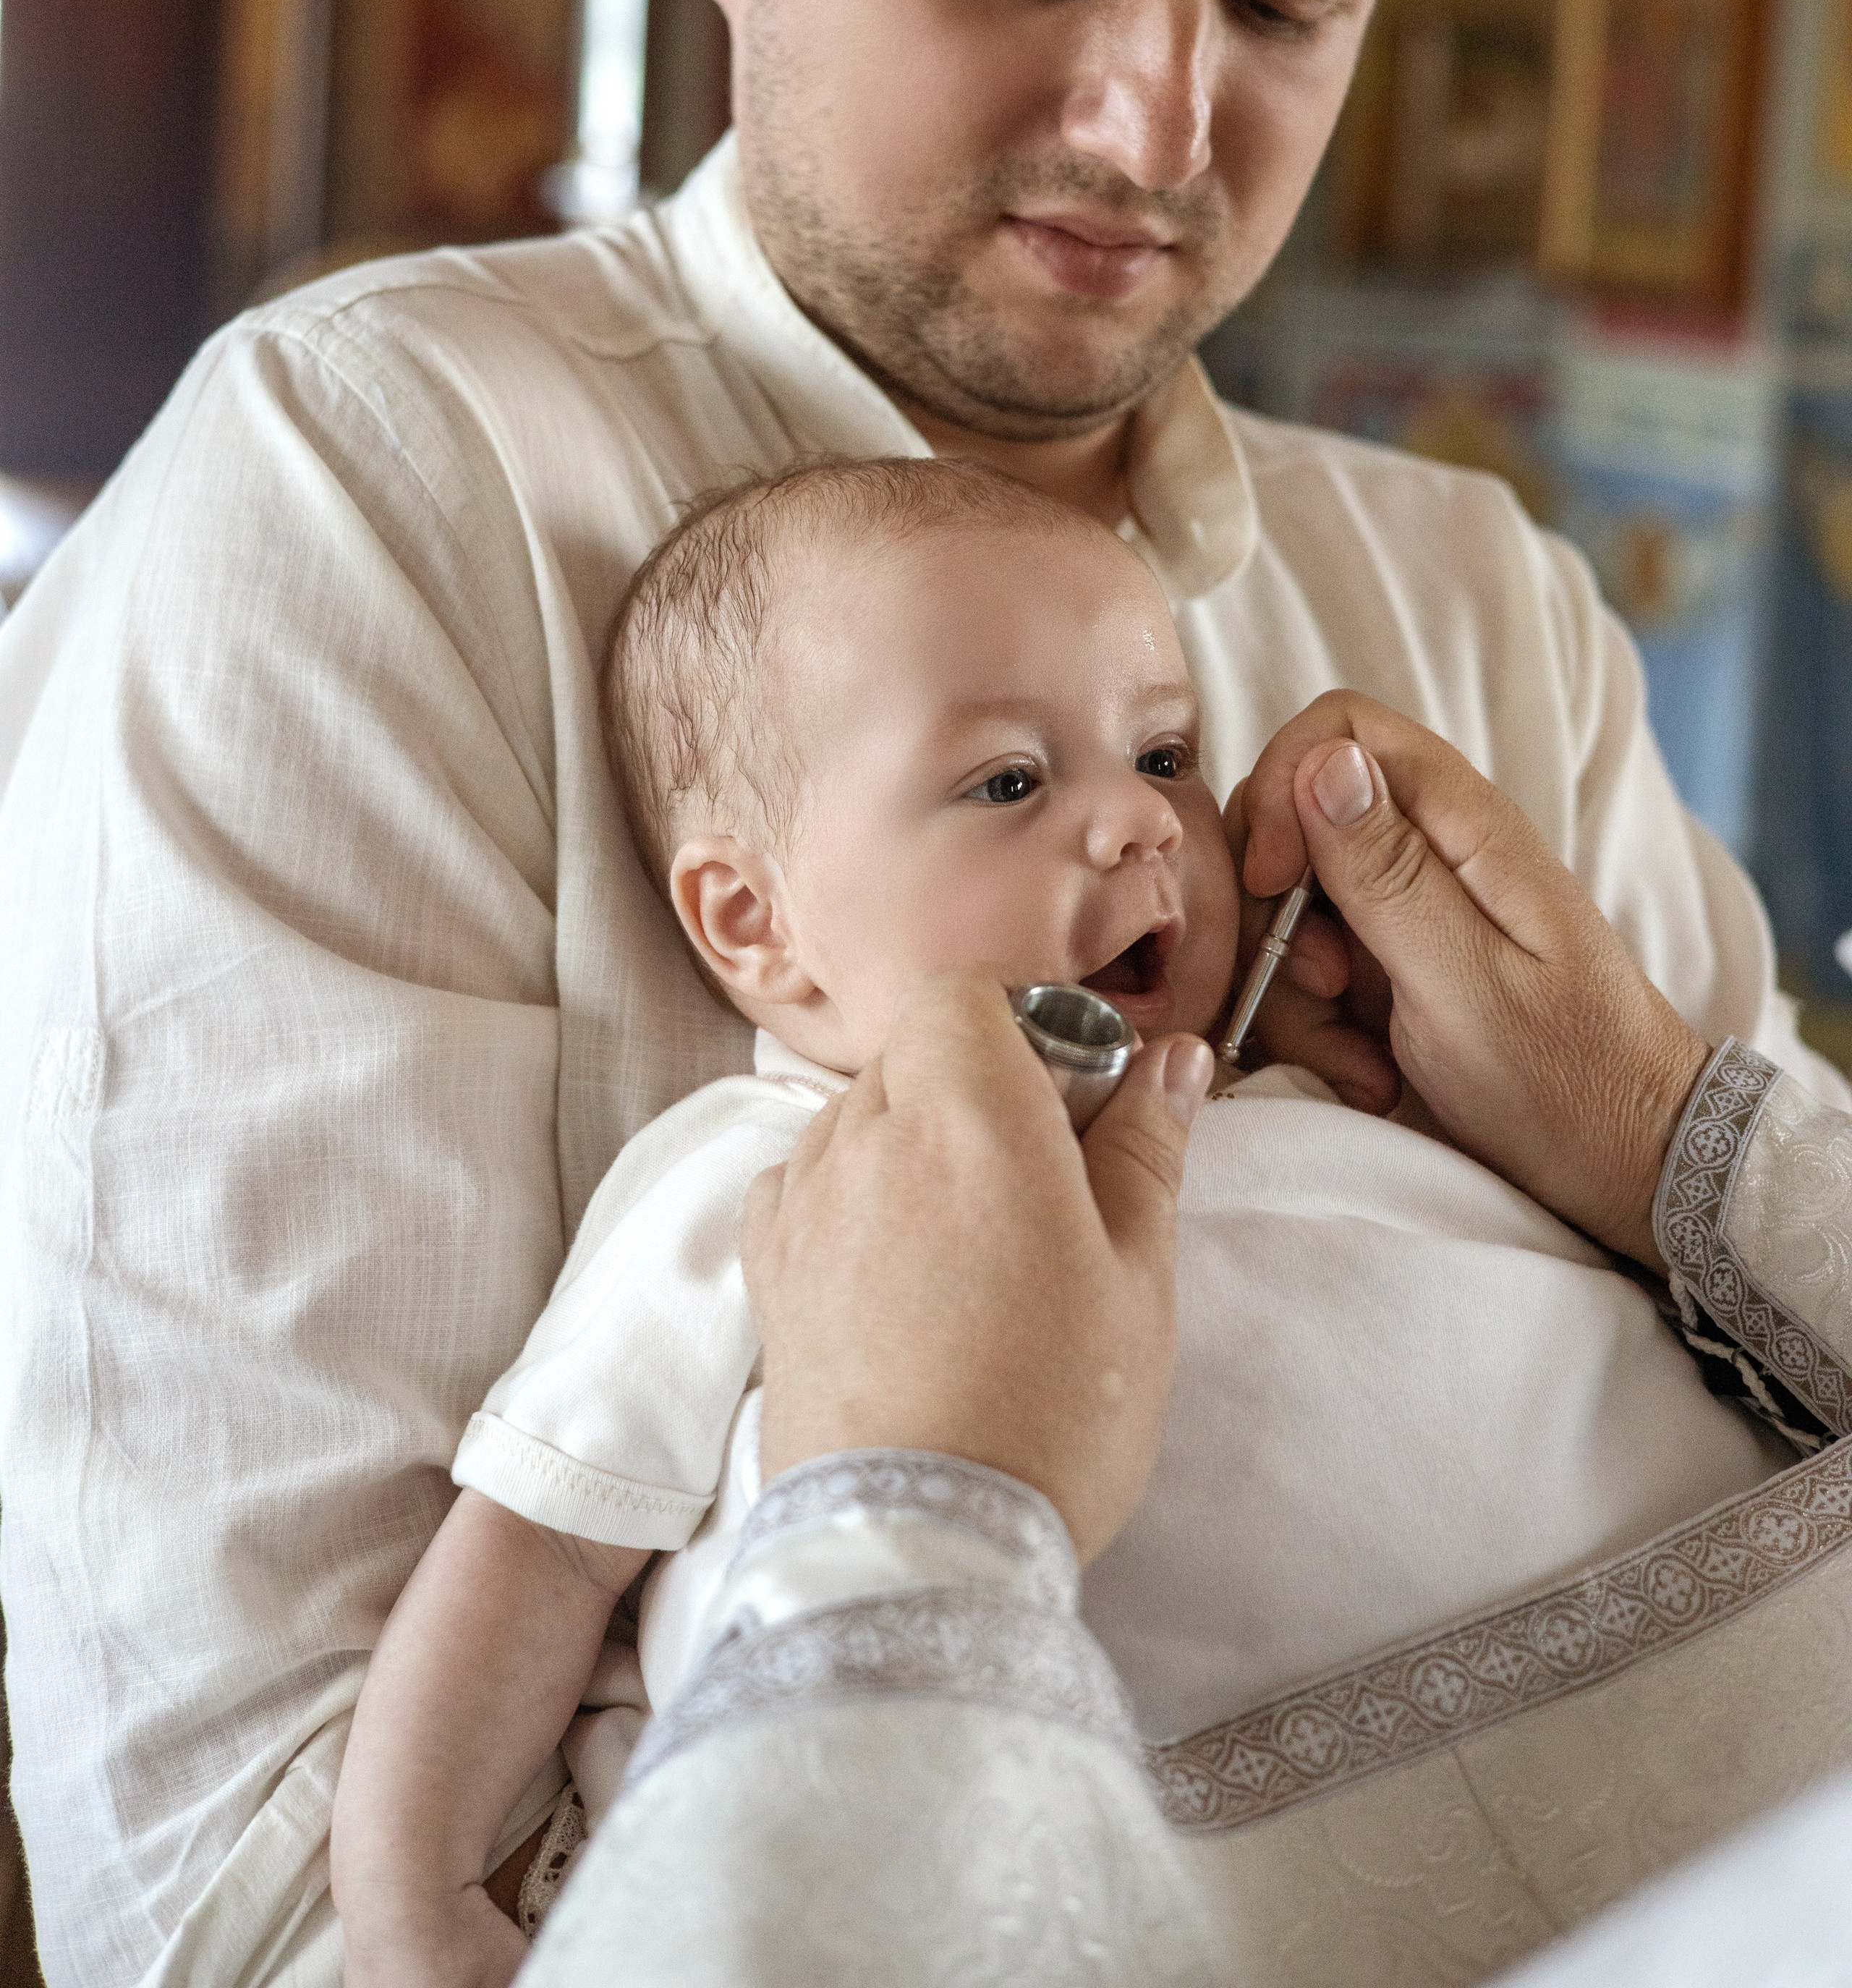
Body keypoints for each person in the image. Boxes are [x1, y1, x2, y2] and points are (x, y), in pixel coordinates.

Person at [0, 0, 1838, 1987]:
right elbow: (266, 1907)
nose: (1159, 125)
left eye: (1290, 2)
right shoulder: (367, 501)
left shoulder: (1480, 614)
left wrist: (1674, 1133)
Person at [335, 455, 1806, 1984]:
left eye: (1162, 752)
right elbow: (536, 1549)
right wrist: (417, 1895)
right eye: (1007, 783)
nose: (1137, 825)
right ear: (754, 923)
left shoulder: (1331, 1094)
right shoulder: (772, 1178)